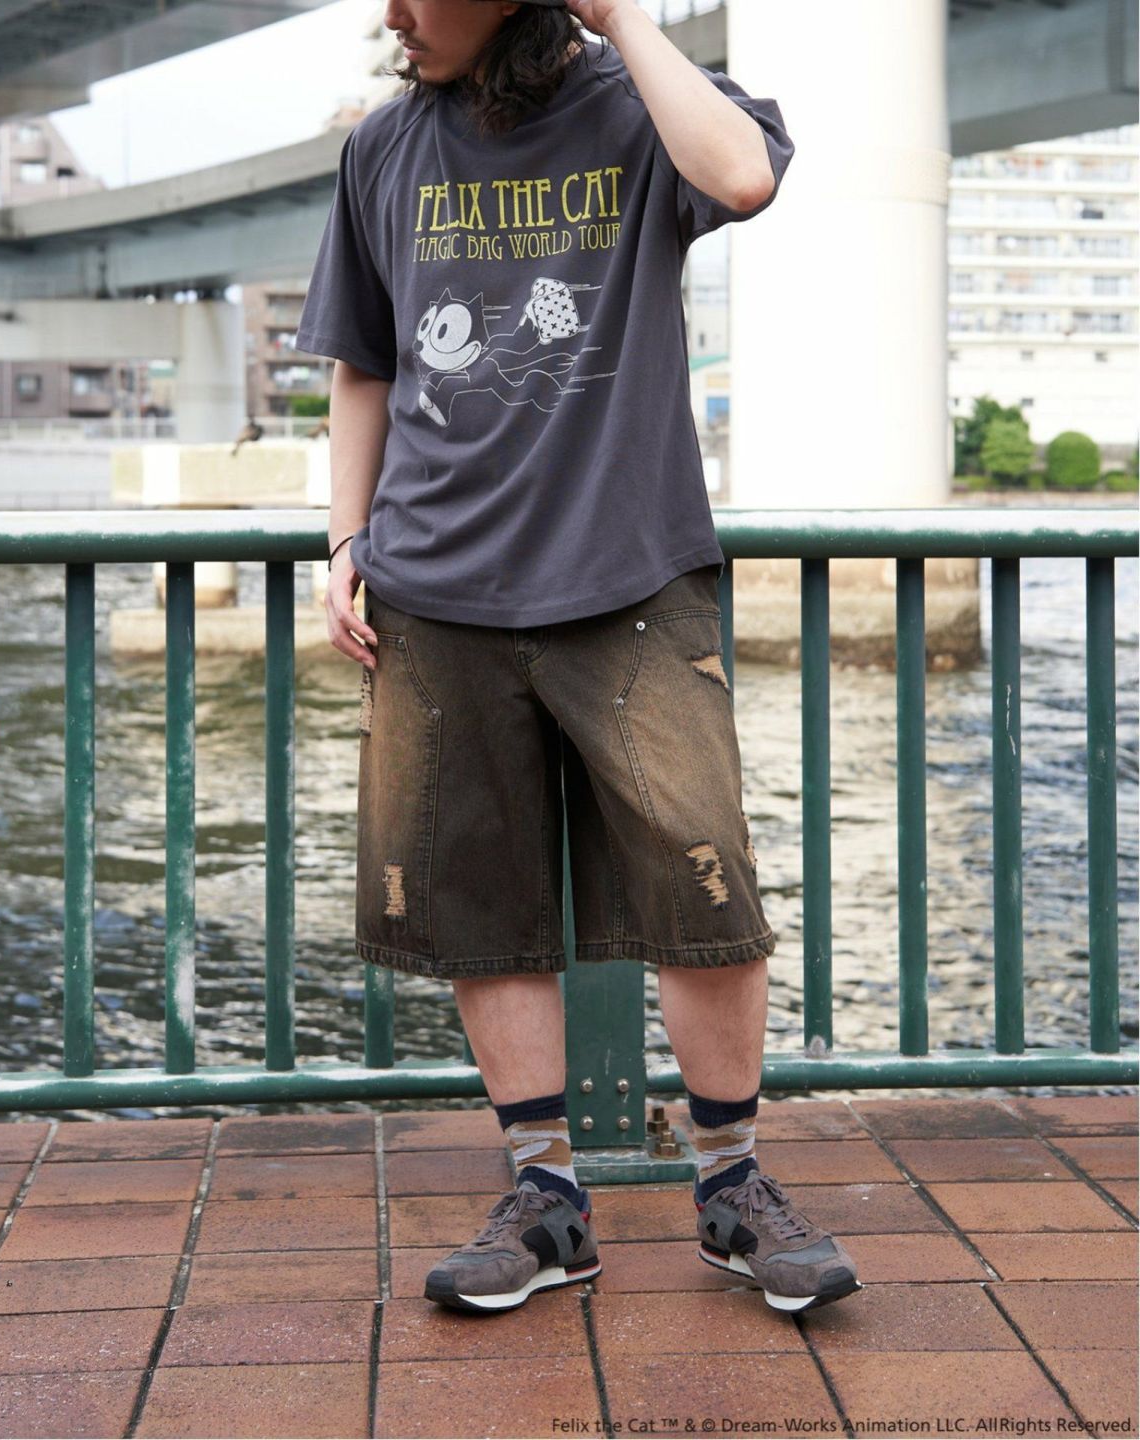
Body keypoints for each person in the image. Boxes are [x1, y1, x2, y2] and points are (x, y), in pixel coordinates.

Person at [295, 0, 862, 1317]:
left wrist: (620, 17)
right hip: (435, 586)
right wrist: (343, 541)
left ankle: (731, 1186)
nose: (395, 15)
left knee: (704, 887)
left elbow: (744, 176)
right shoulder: (384, 148)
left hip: (630, 578)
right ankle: (545, 1198)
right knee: (482, 907)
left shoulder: (636, 112)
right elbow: (364, 365)